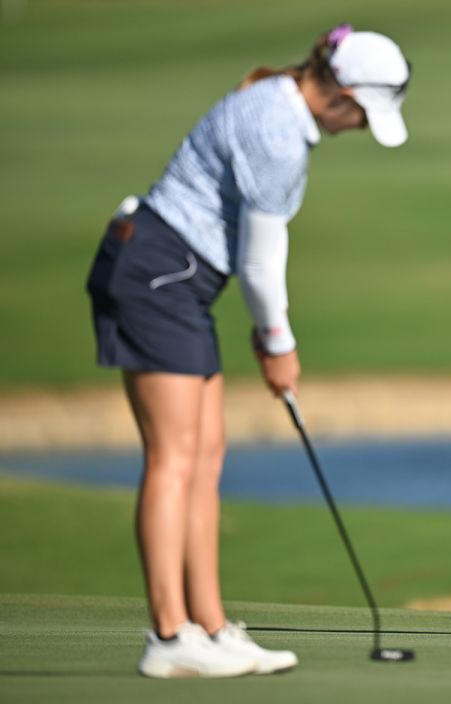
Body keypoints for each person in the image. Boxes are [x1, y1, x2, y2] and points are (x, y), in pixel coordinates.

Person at [85, 25, 412, 678]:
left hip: (176, 282)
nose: (355, 129)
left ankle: (209, 626)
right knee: (174, 458)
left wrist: (268, 339)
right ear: (342, 92)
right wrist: (278, 344)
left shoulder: (277, 103)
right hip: (157, 273)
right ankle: (169, 635)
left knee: (206, 455)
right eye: (362, 116)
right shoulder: (277, 133)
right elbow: (262, 267)